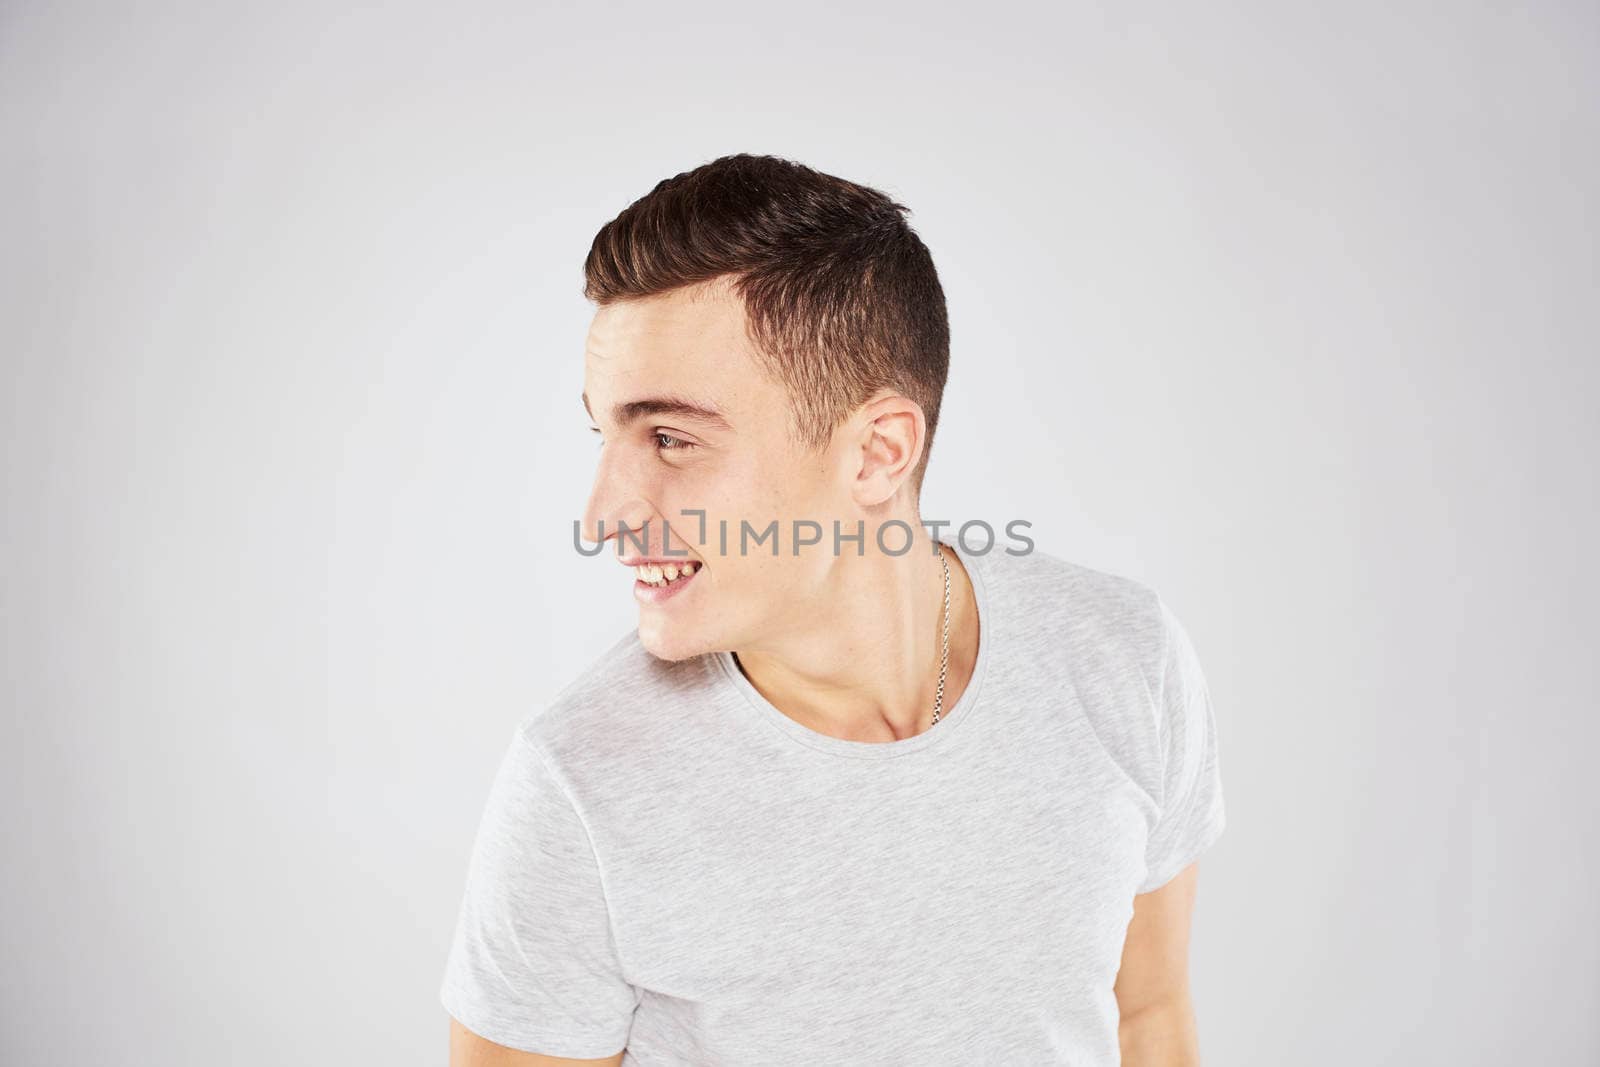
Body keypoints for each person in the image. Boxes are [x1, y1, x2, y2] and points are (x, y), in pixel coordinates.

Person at [440, 153, 1226, 1066]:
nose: (603, 514)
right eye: (605, 431)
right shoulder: (577, 784)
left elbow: (1148, 1016)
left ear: (878, 452)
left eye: (670, 438)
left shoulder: (1125, 660)